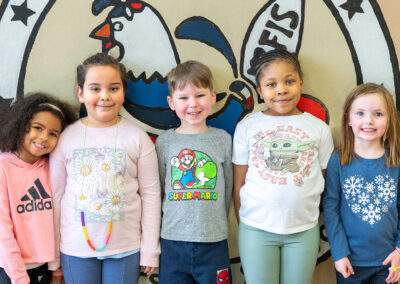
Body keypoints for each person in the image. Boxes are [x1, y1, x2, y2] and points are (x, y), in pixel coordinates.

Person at [50, 53, 161, 284]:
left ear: (123, 92)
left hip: (125, 247)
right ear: (80, 93)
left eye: (113, 88)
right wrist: (53, 254)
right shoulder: (66, 138)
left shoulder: (137, 138)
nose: (105, 96)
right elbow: (56, 196)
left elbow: (151, 196)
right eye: (95, 89)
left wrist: (150, 248)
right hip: (76, 248)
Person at [232, 48, 334, 284]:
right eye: (271, 84)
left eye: (289, 81)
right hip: (256, 230)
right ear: (259, 90)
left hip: (303, 231)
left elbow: (324, 182)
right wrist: (245, 226)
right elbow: (239, 183)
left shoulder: (319, 129)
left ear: (301, 82)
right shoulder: (247, 127)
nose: (281, 90)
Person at [155, 60, 233, 284]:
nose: (193, 104)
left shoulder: (223, 140)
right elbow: (160, 186)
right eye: (183, 98)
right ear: (171, 102)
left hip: (213, 241)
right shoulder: (165, 142)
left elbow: (227, 188)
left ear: (213, 97)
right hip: (172, 241)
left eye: (200, 95)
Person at [323, 83, 400, 284]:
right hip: (349, 262)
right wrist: (339, 254)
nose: (369, 121)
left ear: (390, 119)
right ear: (348, 118)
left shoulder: (396, 162)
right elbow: (331, 210)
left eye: (378, 114)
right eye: (360, 113)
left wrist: (399, 250)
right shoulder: (338, 161)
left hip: (389, 261)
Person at [0, 92, 76, 284]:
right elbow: (2, 231)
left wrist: (57, 268)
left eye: (53, 134)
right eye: (37, 128)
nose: (44, 138)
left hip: (45, 268)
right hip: (10, 269)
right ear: (21, 125)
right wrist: (18, 277)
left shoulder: (54, 168)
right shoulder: (3, 169)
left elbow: (60, 221)